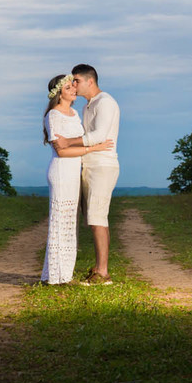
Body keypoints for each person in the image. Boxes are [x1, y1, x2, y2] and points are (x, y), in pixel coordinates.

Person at [41, 73, 115, 285]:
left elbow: (71, 144)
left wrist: (83, 148)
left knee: (70, 224)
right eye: (67, 88)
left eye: (73, 86)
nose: (73, 89)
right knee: (60, 223)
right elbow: (62, 151)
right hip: (62, 172)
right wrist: (93, 148)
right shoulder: (53, 115)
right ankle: (56, 276)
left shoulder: (74, 113)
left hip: (75, 172)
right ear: (58, 95)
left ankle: (65, 274)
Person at [61, 63, 120, 286]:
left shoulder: (105, 102)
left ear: (90, 81)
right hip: (88, 164)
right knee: (92, 217)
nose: (74, 85)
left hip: (102, 165)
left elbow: (98, 135)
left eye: (76, 80)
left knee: (98, 218)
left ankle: (103, 273)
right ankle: (98, 268)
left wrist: (68, 142)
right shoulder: (87, 106)